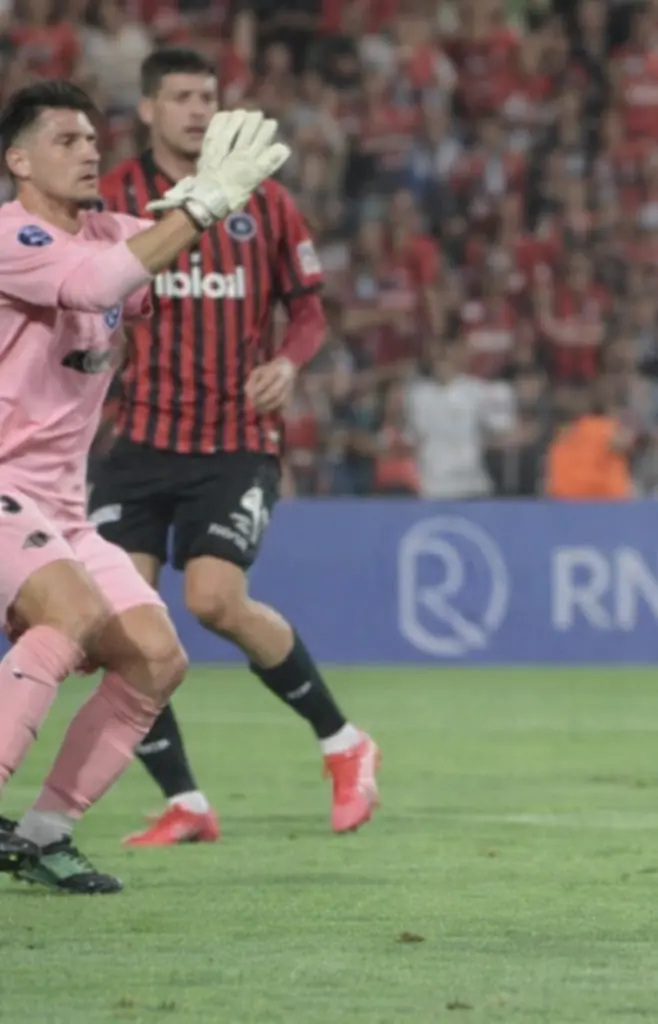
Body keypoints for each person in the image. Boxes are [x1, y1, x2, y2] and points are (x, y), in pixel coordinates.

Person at [0, 83, 290, 892]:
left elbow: (151, 264)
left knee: (158, 660)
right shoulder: (10, 237)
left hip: (58, 501)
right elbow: (97, 286)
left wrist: (206, 203)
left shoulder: (108, 232)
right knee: (72, 615)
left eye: (93, 138)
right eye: (66, 140)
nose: (90, 150)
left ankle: (45, 833)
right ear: (17, 161)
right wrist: (194, 210)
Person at [92, 48, 380, 846]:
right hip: (139, 441)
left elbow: (311, 309)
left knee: (213, 600)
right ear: (147, 108)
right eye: (180, 97)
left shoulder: (269, 203)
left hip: (234, 442)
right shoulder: (113, 196)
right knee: (122, 623)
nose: (197, 110)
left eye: (208, 97)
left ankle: (345, 743)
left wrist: (289, 363)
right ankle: (185, 800)